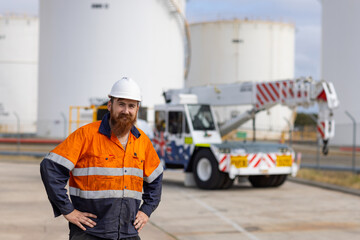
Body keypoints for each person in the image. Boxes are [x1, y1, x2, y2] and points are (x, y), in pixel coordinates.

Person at [40, 77, 163, 240]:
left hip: (128, 233)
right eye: (121, 104)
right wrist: (68, 210)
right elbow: (51, 168)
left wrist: (146, 211)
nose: (126, 111)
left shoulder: (142, 142)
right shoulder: (86, 135)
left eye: (131, 106)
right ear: (110, 105)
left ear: (137, 109)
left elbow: (156, 179)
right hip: (90, 232)